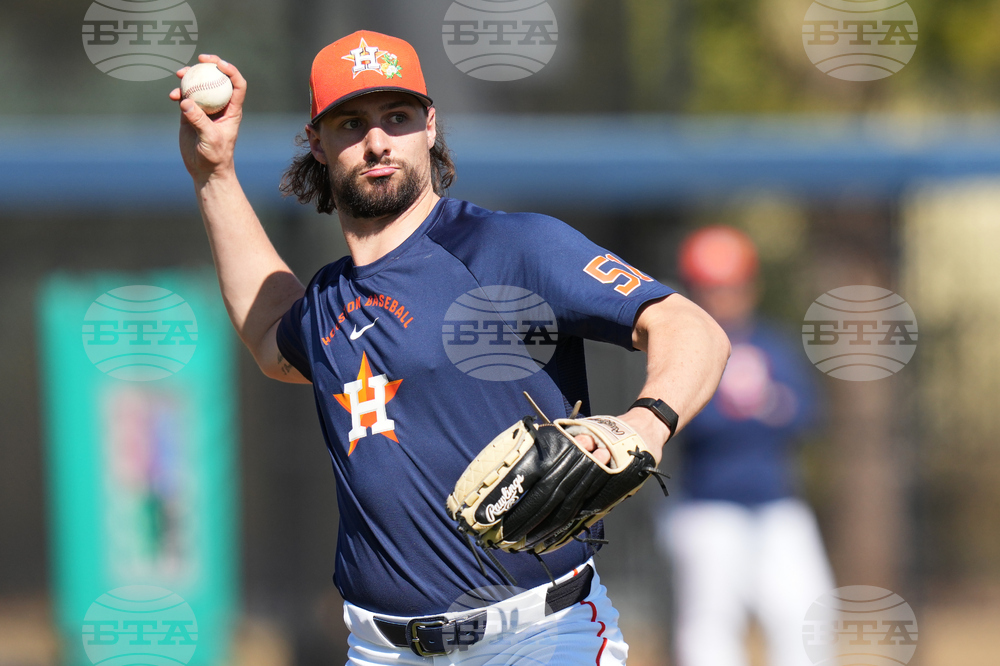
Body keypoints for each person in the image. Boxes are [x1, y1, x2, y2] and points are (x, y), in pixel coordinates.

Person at [170, 30, 730, 665]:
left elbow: (692, 328)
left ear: (430, 127)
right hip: (382, 650)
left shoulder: (510, 248)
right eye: (351, 123)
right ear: (317, 145)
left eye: (397, 116)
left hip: (539, 639)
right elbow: (272, 339)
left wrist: (645, 423)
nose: (377, 141)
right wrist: (213, 173)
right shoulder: (327, 301)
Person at [657, 226, 835, 666]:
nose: (724, 296)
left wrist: (746, 414)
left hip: (777, 506)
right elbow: (692, 423)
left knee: (806, 616)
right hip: (707, 509)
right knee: (710, 627)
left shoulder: (772, 343)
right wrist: (761, 412)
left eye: (732, 285)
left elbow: (806, 414)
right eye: (712, 287)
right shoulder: (678, 348)